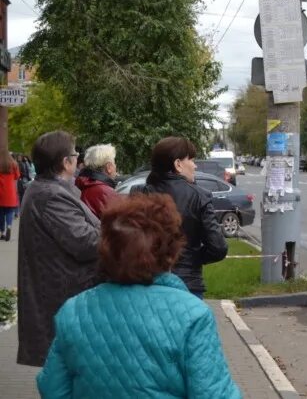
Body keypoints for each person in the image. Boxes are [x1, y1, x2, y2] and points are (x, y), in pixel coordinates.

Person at [36, 193, 242, 398]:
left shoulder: (73, 312)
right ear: (170, 252)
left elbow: (52, 389)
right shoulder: (193, 316)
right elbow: (214, 394)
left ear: (108, 250)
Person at [17, 131, 100, 367]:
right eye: (75, 154)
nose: (78, 159)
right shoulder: (50, 195)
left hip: (63, 294)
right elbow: (86, 243)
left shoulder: (52, 190)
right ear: (66, 162)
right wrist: (113, 232)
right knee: (67, 373)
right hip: (62, 296)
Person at [141, 136, 228, 298]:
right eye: (192, 160)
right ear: (178, 164)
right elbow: (218, 247)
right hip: (188, 285)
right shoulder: (200, 196)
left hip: (147, 284)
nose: (195, 166)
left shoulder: (140, 194)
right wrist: (193, 258)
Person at [75, 144, 120, 219]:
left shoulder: (82, 184)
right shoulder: (105, 192)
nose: (115, 166)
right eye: (114, 162)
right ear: (109, 167)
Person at [0, 151, 20, 241]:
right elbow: (17, 176)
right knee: (9, 211)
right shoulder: (13, 164)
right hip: (10, 191)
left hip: (1, 191)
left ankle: (2, 233)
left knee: (1, 214)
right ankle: (9, 226)